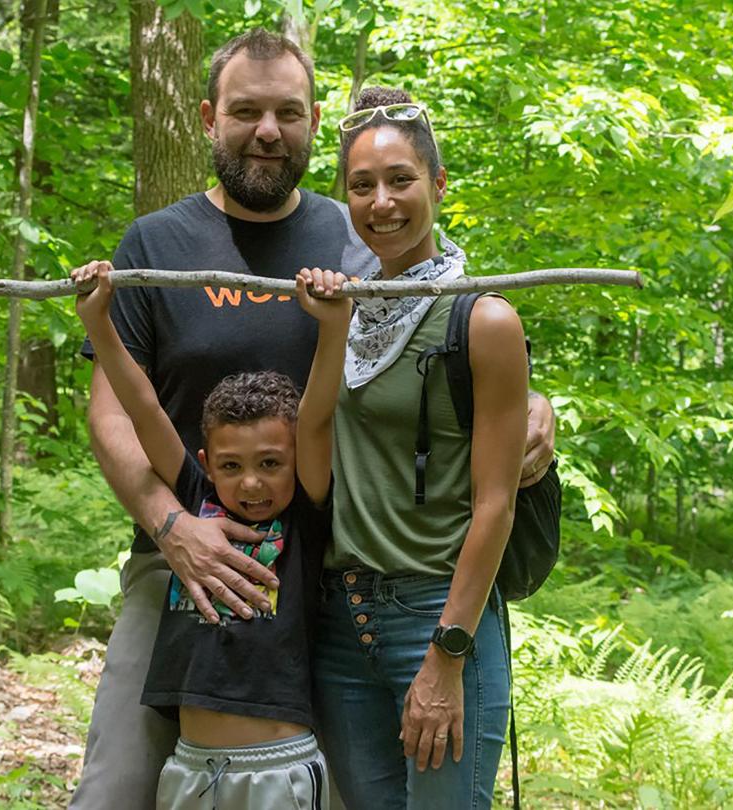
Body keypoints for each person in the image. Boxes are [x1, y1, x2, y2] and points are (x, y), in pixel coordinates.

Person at [67, 29, 555, 810]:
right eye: (246, 110)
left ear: (313, 119)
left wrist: (537, 403)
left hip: (332, 575)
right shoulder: (155, 244)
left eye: (287, 112)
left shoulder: (361, 238)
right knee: (117, 788)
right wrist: (172, 529)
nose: (267, 130)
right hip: (181, 559)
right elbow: (112, 418)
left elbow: (457, 336)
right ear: (206, 117)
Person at [310, 86, 527, 809]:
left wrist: (447, 657)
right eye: (362, 186)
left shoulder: (483, 318)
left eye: (401, 180)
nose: (382, 202)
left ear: (437, 184)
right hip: (343, 622)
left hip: (437, 615)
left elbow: (494, 504)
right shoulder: (346, 311)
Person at [72, 260, 350, 809]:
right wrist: (100, 323)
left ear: (296, 462)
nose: (251, 482)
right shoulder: (194, 496)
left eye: (272, 463)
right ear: (207, 462)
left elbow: (317, 416)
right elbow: (143, 406)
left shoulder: (304, 515)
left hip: (279, 773)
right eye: (232, 466)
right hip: (191, 770)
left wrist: (334, 328)